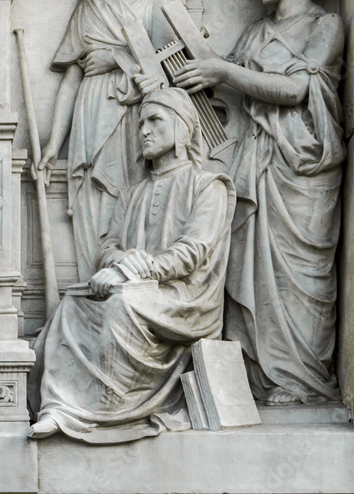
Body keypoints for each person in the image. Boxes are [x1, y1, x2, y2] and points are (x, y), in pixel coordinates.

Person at [174, 0, 345, 406]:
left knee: (300, 280)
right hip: (257, 164)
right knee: (250, 271)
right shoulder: (255, 32)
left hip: (302, 170)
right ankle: (258, 375)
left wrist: (225, 71)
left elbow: (295, 91)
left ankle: (303, 379)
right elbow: (230, 86)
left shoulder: (324, 26)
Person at [29, 88, 235, 443]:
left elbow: (193, 252)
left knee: (122, 306)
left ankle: (101, 414)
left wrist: (132, 271)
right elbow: (107, 248)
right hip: (137, 289)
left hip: (185, 302)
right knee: (72, 305)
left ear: (183, 129)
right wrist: (122, 261)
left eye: (155, 120)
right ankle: (58, 408)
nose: (144, 130)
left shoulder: (209, 186)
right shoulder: (133, 193)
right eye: (141, 123)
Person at [38, 0, 175, 282]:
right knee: (93, 204)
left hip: (135, 116)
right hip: (91, 113)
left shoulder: (157, 3)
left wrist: (117, 58)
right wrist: (54, 143)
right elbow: (71, 78)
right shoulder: (89, 6)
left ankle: (134, 289)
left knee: (135, 198)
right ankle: (92, 290)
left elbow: (171, 69)